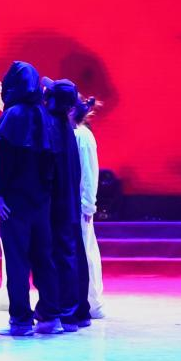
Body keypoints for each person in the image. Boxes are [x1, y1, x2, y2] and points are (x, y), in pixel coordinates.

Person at [0, 61, 61, 336]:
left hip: (16, 201)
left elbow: (5, 161)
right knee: (44, 257)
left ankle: (20, 320)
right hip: (40, 200)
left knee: (17, 260)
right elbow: (50, 162)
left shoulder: (13, 116)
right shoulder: (44, 115)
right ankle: (50, 317)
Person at [42, 79, 90, 331]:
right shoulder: (66, 129)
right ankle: (76, 311)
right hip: (68, 203)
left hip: (57, 205)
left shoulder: (52, 129)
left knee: (60, 258)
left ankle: (66, 313)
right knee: (72, 255)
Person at [72, 95, 105, 319]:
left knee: (86, 252)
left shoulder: (82, 136)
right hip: (73, 204)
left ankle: (93, 302)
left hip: (80, 206)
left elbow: (89, 173)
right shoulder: (73, 134)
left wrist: (88, 206)